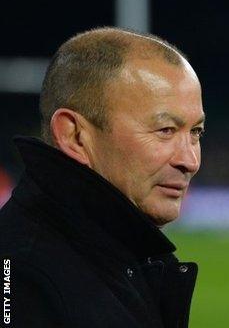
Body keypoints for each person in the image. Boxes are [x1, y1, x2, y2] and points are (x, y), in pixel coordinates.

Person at [0, 27, 205, 327]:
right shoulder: (23, 278)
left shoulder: (121, 255)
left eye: (196, 132)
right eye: (165, 131)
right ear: (76, 135)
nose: (190, 160)